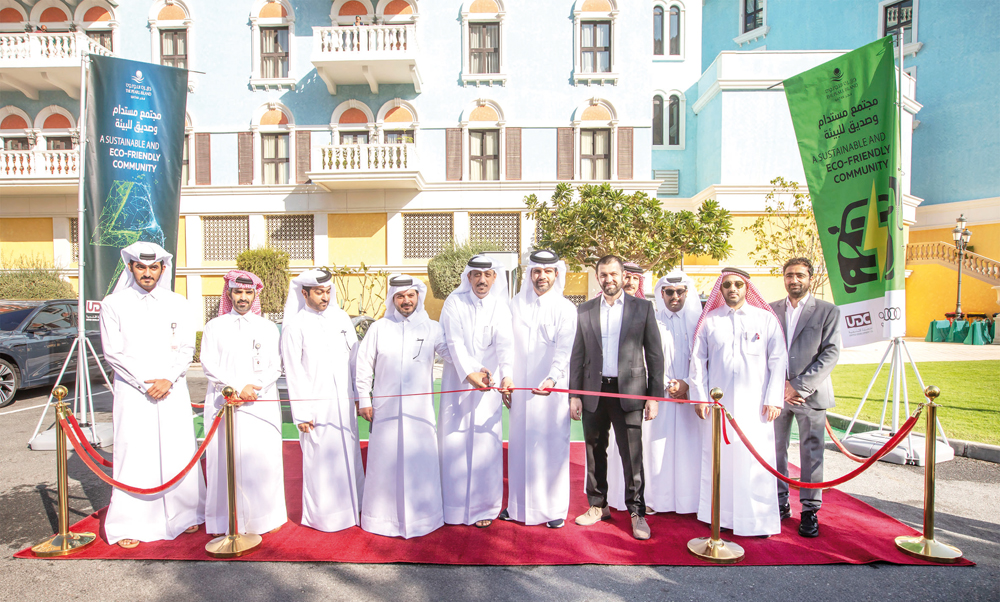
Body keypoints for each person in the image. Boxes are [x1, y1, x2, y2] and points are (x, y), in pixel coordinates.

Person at [98, 241, 204, 549]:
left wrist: (167, 379)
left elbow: (186, 348)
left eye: (153, 267)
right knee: (135, 453)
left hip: (172, 388)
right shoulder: (113, 304)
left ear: (162, 268)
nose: (147, 273)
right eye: (141, 267)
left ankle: (184, 513)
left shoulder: (178, 302)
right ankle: (130, 522)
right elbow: (112, 352)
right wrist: (145, 384)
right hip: (133, 392)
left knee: (177, 449)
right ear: (131, 267)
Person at [569, 255, 664, 540]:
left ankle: (636, 511)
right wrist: (575, 395)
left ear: (623, 276)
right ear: (598, 277)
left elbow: (655, 355)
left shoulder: (643, 308)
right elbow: (577, 355)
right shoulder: (585, 309)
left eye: (613, 274)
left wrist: (653, 397)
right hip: (593, 392)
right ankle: (598, 506)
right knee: (594, 451)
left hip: (630, 394)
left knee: (632, 455)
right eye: (603, 274)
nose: (608, 279)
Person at [689, 267, 787, 537]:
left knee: (754, 462)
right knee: (722, 460)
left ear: (747, 288)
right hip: (719, 407)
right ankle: (721, 517)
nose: (732, 289)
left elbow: (778, 360)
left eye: (738, 284)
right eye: (727, 285)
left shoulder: (765, 319)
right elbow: (697, 362)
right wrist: (699, 398)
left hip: (757, 407)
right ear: (720, 289)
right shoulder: (710, 320)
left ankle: (758, 522)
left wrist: (774, 399)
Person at [355, 275, 450, 538]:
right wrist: (364, 399)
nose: (406, 301)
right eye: (400, 296)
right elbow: (363, 365)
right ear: (393, 299)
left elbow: (452, 355)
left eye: (410, 295)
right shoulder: (379, 328)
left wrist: (476, 368)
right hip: (385, 411)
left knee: (420, 464)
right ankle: (381, 520)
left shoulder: (432, 328)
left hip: (419, 414)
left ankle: (423, 518)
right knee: (385, 466)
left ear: (418, 296)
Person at [607, 270, 704, 515]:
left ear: (686, 293)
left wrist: (688, 385)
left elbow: (704, 360)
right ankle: (656, 500)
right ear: (661, 294)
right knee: (656, 450)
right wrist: (665, 385)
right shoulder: (652, 319)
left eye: (679, 292)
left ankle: (689, 501)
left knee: (689, 449)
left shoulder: (699, 323)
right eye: (669, 292)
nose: (674, 296)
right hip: (659, 395)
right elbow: (643, 357)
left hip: (690, 398)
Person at [200, 270, 287, 537]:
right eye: (238, 292)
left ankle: (265, 518)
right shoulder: (214, 327)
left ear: (255, 295)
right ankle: (223, 520)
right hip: (224, 403)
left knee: (262, 459)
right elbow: (208, 363)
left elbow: (276, 366)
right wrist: (235, 389)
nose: (243, 297)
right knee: (224, 460)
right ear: (229, 294)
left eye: (248, 293)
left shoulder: (267, 327)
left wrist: (254, 389)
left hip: (259, 404)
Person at [280, 268, 364, 533]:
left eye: (327, 291)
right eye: (318, 292)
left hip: (344, 404)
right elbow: (293, 371)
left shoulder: (341, 318)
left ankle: (354, 508)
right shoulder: (295, 326)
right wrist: (302, 413)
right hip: (316, 407)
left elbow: (354, 360)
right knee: (320, 461)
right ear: (304, 293)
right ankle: (325, 517)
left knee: (348, 455)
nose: (325, 297)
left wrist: (358, 396)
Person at [501, 250, 577, 529]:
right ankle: (517, 507)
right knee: (520, 446)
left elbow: (564, 350)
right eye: (536, 271)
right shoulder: (515, 305)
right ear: (530, 274)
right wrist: (506, 376)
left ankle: (553, 510)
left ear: (556, 274)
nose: (541, 276)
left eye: (547, 271)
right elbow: (505, 345)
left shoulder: (566, 308)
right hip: (521, 392)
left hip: (551, 392)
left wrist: (553, 378)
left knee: (551, 447)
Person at [439, 255, 514, 528]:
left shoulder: (500, 306)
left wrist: (507, 375)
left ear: (494, 278)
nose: (482, 280)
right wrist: (471, 372)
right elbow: (453, 342)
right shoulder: (454, 302)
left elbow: (506, 345)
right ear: (468, 277)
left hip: (489, 386)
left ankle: (485, 507)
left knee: (485, 446)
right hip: (458, 383)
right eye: (477, 275)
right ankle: (453, 507)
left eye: (487, 275)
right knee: (454, 443)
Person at [770, 257, 841, 538]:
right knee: (775, 450)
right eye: (789, 275)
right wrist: (781, 386)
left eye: (800, 275)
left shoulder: (827, 311)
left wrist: (798, 386)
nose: (794, 280)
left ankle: (810, 510)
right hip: (777, 394)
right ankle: (779, 502)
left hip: (810, 396)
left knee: (811, 455)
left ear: (810, 278)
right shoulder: (771, 309)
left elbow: (831, 353)